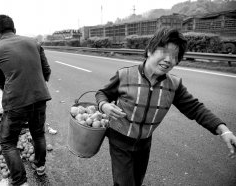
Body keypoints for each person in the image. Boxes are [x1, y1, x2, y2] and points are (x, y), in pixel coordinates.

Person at [95, 27, 236, 186]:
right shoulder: (124, 75)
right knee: (124, 183)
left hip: (144, 144)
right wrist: (104, 105)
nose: (169, 60)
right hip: (119, 139)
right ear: (149, 51)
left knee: (137, 180)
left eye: (175, 56)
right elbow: (102, 93)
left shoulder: (174, 85)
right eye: (164, 52)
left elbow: (196, 108)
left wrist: (224, 130)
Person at [0, 14, 52, 186]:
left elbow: (0, 80)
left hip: (15, 101)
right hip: (40, 97)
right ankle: (40, 166)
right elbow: (46, 71)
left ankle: (20, 181)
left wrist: (13, 91)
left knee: (8, 142)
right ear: (14, 29)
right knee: (38, 133)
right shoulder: (34, 43)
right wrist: (36, 86)